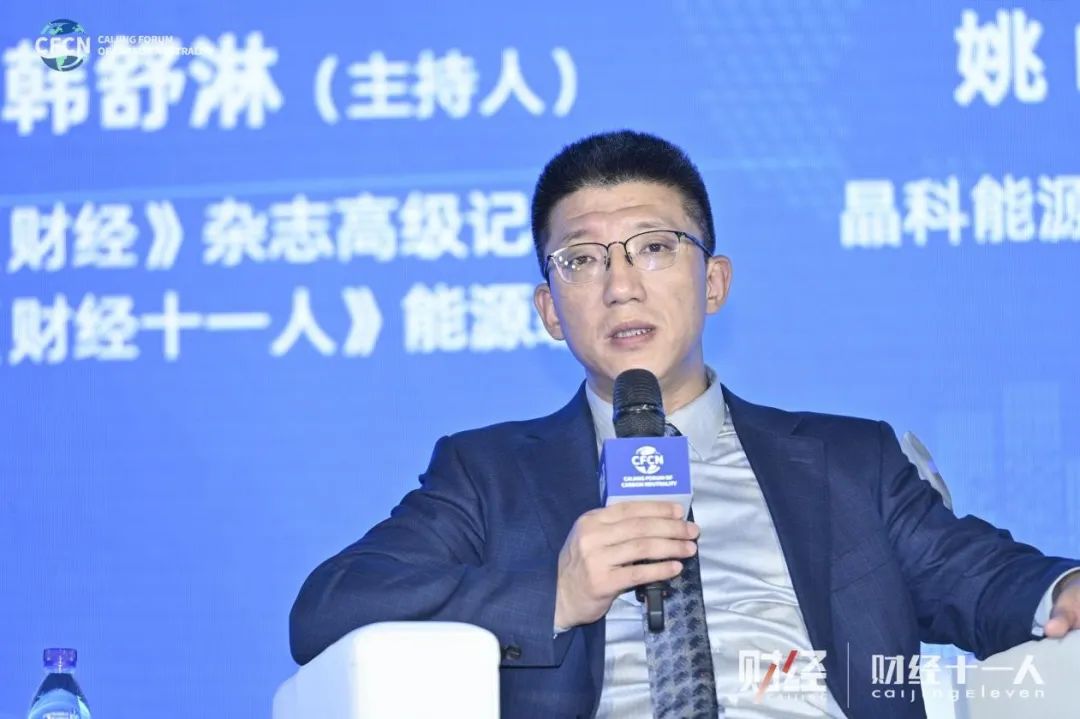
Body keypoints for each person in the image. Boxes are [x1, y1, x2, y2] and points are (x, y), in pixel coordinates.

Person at [289, 130, 1080, 718]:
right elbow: (330, 607)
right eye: (582, 259)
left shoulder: (850, 459)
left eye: (654, 248)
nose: (620, 285)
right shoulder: (488, 473)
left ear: (714, 283)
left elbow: (985, 580)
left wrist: (1065, 587)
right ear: (549, 311)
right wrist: (555, 594)